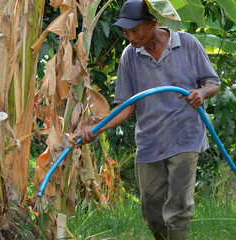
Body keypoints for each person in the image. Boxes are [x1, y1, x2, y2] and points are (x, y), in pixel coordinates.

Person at [77, 0, 220, 239]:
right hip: (150, 140)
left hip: (186, 135)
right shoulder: (130, 56)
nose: (130, 37)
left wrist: (201, 93)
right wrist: (97, 127)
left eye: (135, 31)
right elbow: (127, 104)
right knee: (151, 208)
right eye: (125, 32)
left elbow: (212, 83)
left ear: (152, 24)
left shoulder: (187, 44)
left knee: (179, 204)